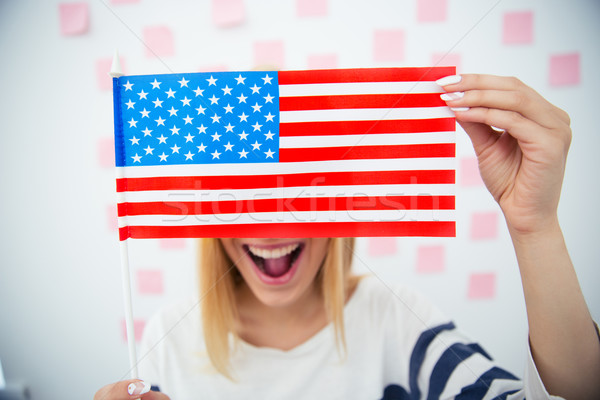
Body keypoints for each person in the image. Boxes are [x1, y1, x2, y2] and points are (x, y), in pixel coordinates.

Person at [94, 74, 600, 400]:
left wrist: (534, 228)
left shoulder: (398, 319)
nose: (272, 226)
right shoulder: (170, 338)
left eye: (301, 198)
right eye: (243, 197)